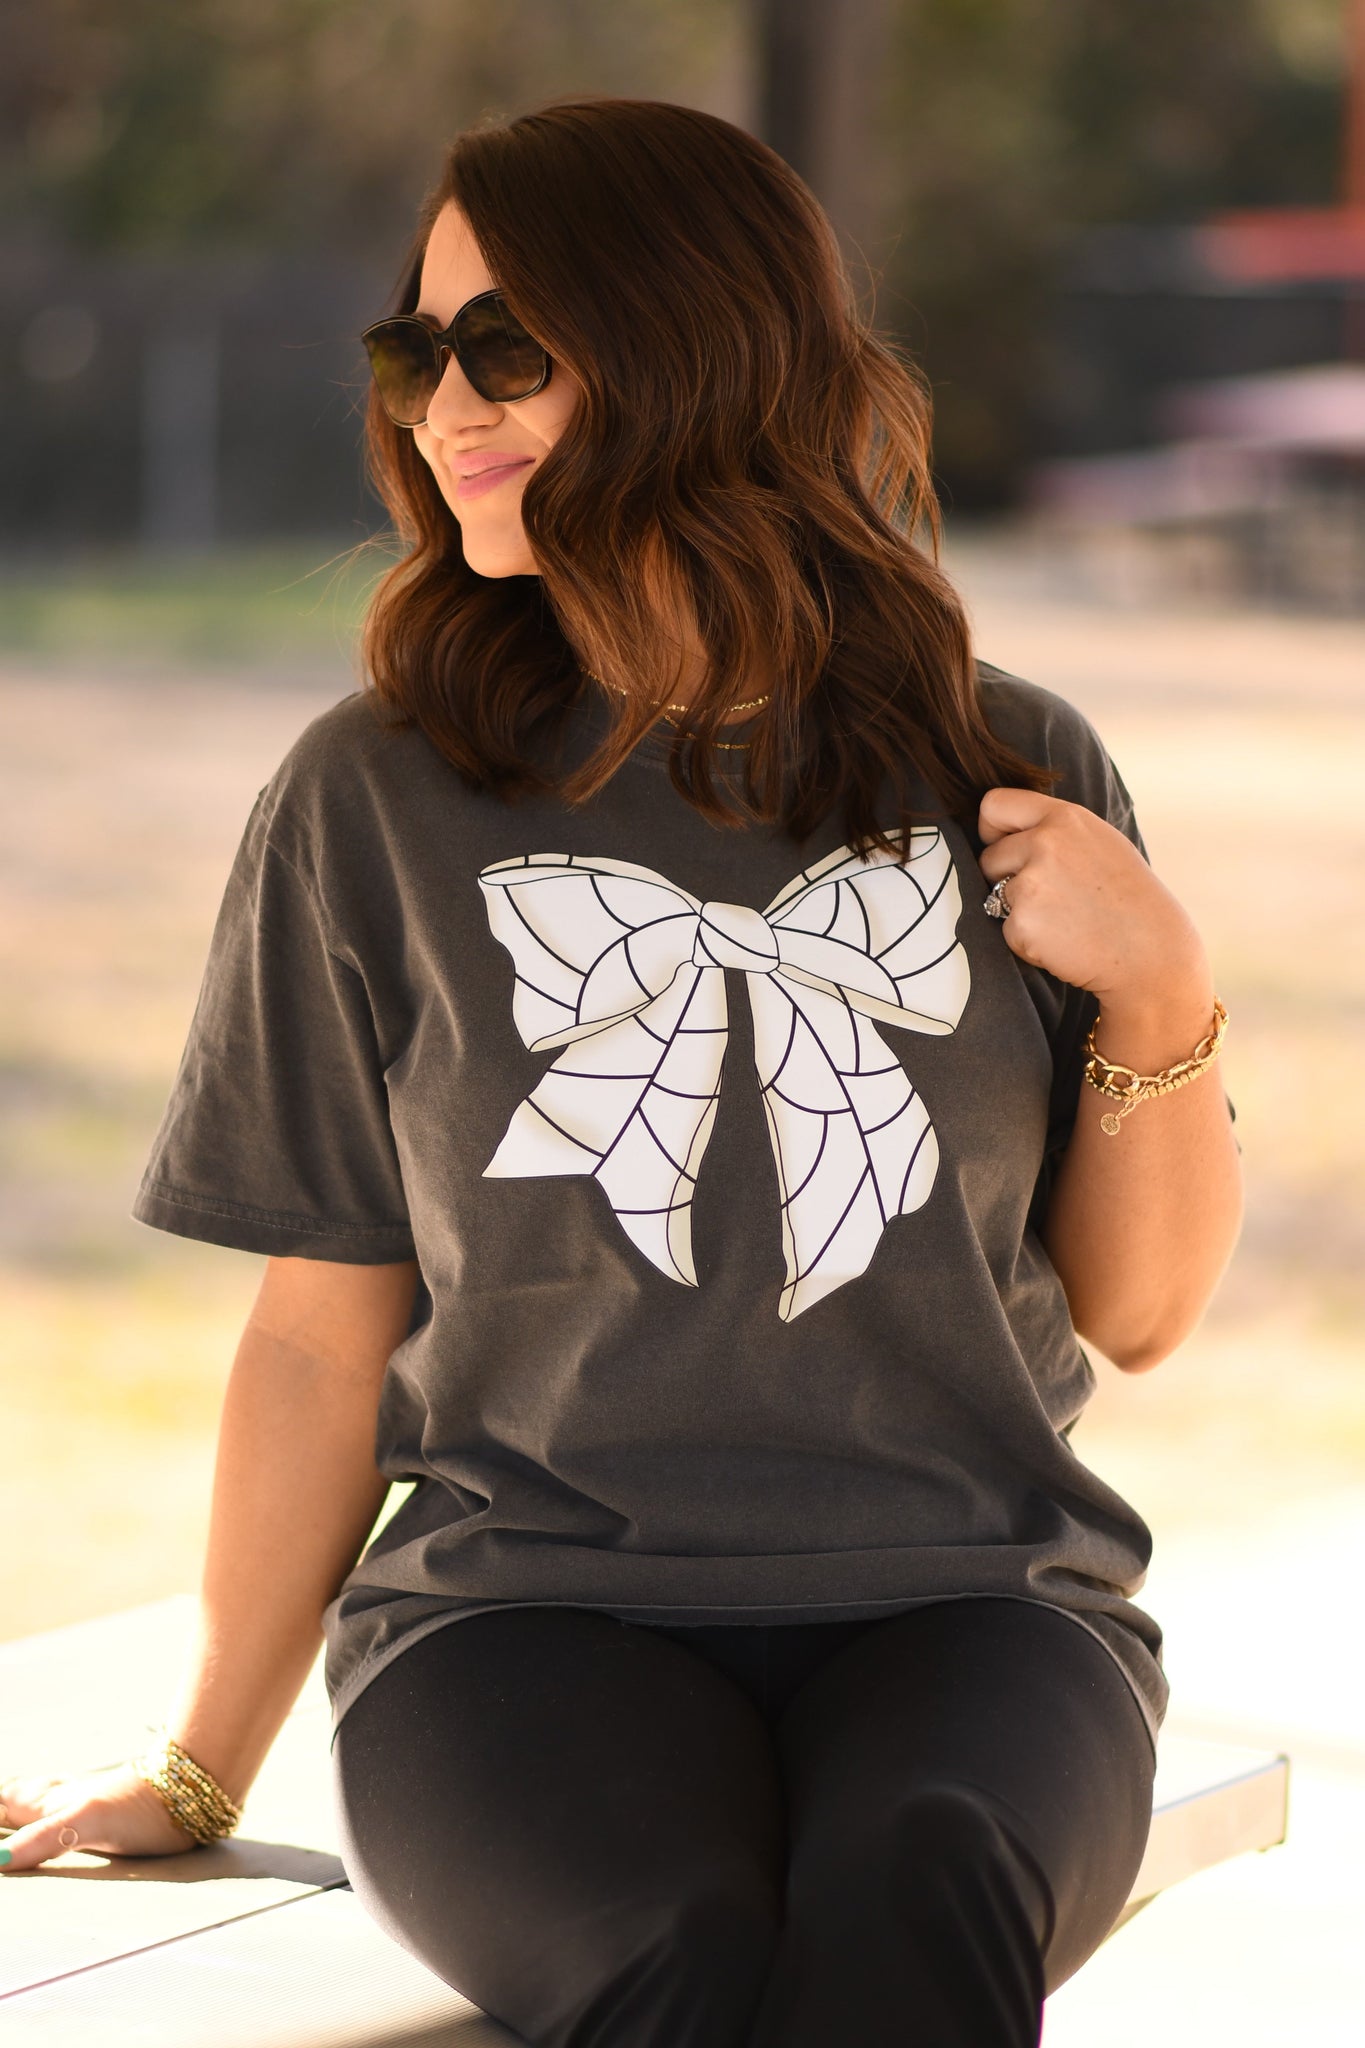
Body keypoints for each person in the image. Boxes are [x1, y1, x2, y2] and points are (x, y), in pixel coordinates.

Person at [0, 96, 1242, 2048]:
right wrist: (204, 1764)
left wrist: (1160, 990)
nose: (441, 406)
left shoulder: (1006, 763)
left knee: (916, 1882)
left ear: (694, 348)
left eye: (505, 347)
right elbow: (322, 1334)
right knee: (673, 1945)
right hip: (517, 1622)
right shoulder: (370, 799)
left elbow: (1138, 1314)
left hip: (977, 1607)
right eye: (417, 348)